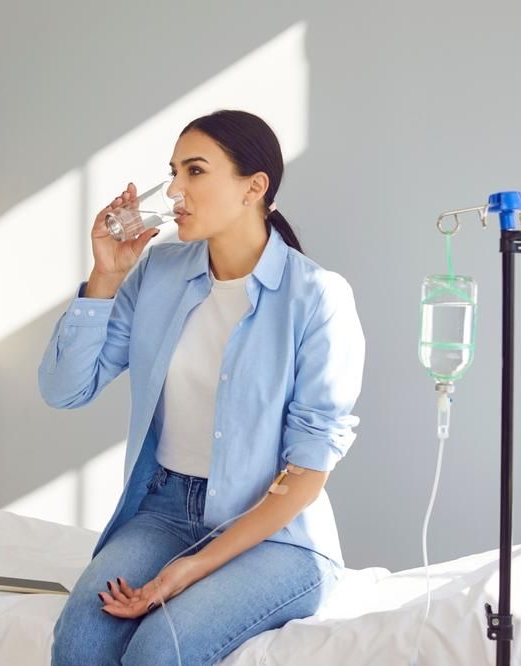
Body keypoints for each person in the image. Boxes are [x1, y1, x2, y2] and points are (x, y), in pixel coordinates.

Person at [39, 109, 365, 665]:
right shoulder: (158, 271)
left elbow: (307, 473)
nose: (173, 190)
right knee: (80, 643)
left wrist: (191, 568)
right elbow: (66, 389)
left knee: (154, 654)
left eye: (194, 172)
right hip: (164, 509)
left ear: (253, 188)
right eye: (173, 172)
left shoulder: (316, 297)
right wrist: (105, 277)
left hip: (275, 533)